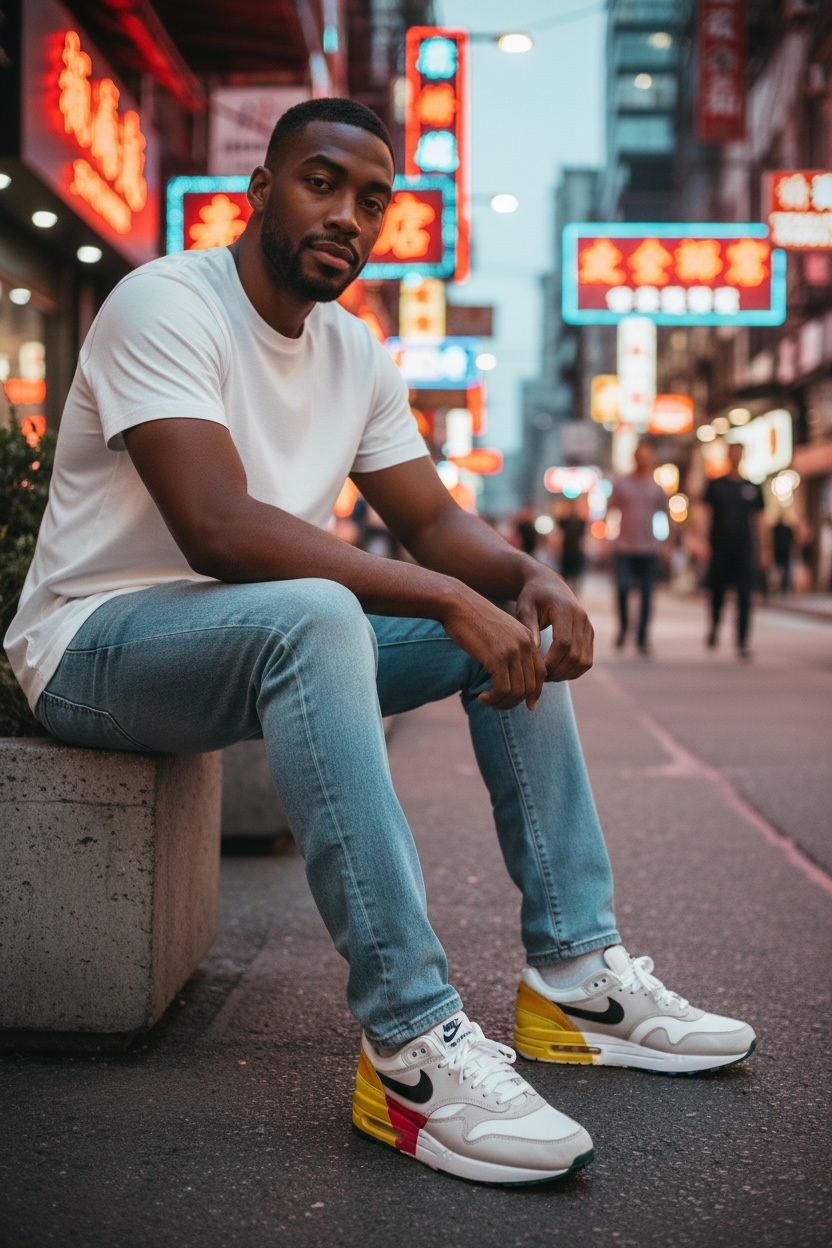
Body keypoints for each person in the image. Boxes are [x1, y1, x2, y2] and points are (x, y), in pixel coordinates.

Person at [4, 99, 755, 1188]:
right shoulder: (164, 302)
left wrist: (521, 579)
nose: (347, 216)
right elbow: (215, 527)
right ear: (258, 191)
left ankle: (577, 977)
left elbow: (437, 522)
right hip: (95, 651)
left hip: (234, 641)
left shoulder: (353, 351)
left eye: (371, 201)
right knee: (314, 612)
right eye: (320, 183)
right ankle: (410, 1043)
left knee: (506, 634)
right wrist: (444, 597)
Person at [702, 442, 767, 659]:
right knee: (717, 592)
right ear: (728, 456)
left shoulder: (752, 487)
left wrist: (764, 550)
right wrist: (702, 541)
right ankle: (714, 626)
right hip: (719, 548)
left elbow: (760, 520)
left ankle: (742, 641)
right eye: (733, 453)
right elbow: (704, 514)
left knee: (746, 595)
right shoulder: (716, 485)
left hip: (744, 549)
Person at [609, 439, 669, 654]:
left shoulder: (656, 488)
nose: (643, 461)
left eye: (647, 457)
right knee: (623, 589)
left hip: (649, 549)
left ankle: (642, 636)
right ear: (634, 457)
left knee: (646, 594)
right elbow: (610, 511)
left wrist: (666, 545)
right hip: (624, 547)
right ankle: (624, 628)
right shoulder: (622, 484)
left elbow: (666, 516)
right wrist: (606, 539)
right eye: (640, 456)